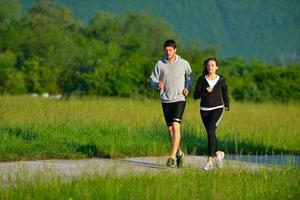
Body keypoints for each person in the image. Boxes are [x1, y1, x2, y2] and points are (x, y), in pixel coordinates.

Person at [150, 39, 193, 168]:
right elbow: (152, 79)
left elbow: (190, 76)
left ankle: (172, 157)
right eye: (166, 50)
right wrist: (157, 84)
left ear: (175, 50)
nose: (168, 52)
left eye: (170, 50)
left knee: (175, 126)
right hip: (165, 99)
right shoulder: (159, 64)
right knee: (170, 130)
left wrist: (188, 87)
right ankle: (179, 152)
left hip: (179, 99)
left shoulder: (184, 63)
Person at [193, 57, 229, 170]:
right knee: (210, 134)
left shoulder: (221, 80)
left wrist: (227, 104)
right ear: (206, 67)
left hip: (217, 108)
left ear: (216, 67)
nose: (210, 67)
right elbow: (195, 96)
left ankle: (209, 160)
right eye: (208, 65)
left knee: (210, 131)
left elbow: (225, 94)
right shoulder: (201, 79)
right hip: (204, 110)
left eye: (212, 65)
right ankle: (218, 153)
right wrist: (204, 91)